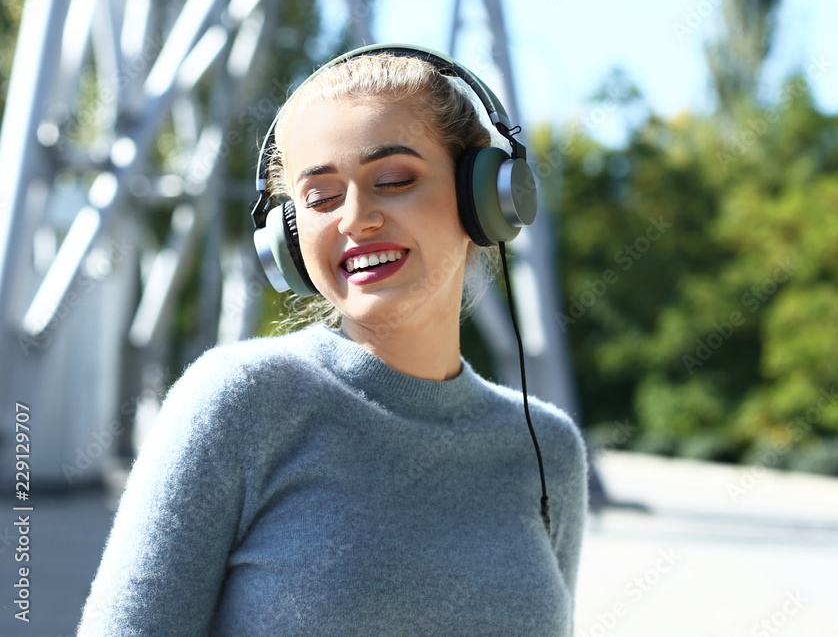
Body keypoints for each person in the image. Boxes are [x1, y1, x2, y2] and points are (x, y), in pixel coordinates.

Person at [78, 45, 588, 635]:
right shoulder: (236, 405)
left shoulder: (547, 449)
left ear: (485, 199)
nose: (354, 218)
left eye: (394, 180)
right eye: (318, 197)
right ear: (289, 241)